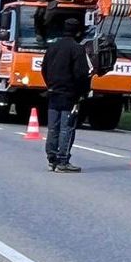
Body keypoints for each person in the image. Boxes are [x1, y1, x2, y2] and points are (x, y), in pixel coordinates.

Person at [41, 18, 90, 173]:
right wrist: (82, 92)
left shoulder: (53, 47)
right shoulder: (77, 49)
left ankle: (51, 159)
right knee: (67, 128)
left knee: (52, 128)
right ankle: (63, 161)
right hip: (70, 95)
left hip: (53, 93)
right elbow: (81, 74)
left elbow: (44, 68)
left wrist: (50, 85)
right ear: (78, 32)